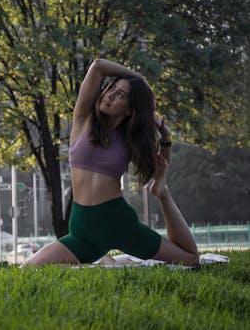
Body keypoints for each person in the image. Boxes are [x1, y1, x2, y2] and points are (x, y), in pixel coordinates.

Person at [22, 58, 199, 267]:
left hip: (116, 223)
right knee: (29, 268)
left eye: (120, 95)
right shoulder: (83, 119)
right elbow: (97, 66)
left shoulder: (128, 140)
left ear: (130, 110)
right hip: (82, 229)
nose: (110, 95)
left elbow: (159, 168)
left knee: (189, 259)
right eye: (112, 88)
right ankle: (101, 263)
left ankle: (163, 195)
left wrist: (165, 138)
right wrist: (136, 76)